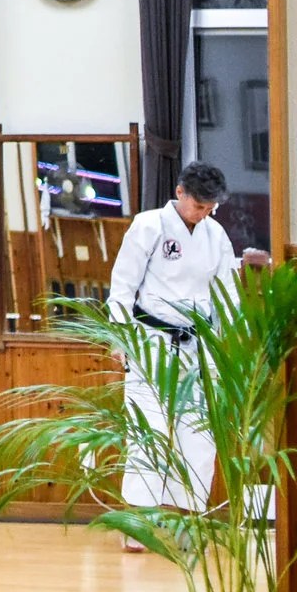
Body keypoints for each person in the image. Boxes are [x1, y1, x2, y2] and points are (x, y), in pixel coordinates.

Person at [107, 162, 269, 520]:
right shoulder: (148, 226)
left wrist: (233, 343)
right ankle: (138, 518)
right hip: (151, 341)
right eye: (199, 205)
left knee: (198, 433)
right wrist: (119, 337)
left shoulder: (217, 236)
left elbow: (227, 296)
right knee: (146, 428)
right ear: (180, 193)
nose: (205, 213)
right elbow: (122, 287)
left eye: (211, 207)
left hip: (200, 346)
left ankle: (189, 513)